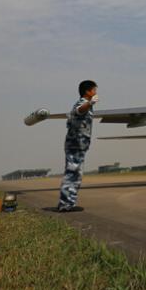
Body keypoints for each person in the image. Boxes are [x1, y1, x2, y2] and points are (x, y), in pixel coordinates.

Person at [56, 80, 98, 212]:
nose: (95, 92)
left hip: (78, 144)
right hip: (76, 144)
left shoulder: (85, 104)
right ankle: (66, 205)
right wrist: (90, 103)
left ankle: (69, 203)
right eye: (94, 90)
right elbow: (79, 110)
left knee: (75, 173)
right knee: (72, 173)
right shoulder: (82, 103)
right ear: (87, 91)